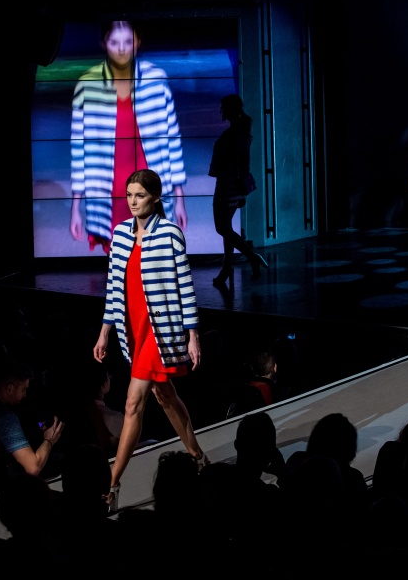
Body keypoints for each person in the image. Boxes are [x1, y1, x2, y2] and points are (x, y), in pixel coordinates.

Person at [93, 168, 208, 511]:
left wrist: (193, 335)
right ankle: (198, 457)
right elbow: (114, 288)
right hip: (133, 330)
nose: (133, 201)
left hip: (160, 332)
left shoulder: (170, 233)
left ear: (155, 197)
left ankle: (111, 483)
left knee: (132, 404)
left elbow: (185, 285)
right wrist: (104, 331)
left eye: (140, 195)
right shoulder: (120, 234)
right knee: (165, 396)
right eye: (129, 195)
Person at [70, 20, 189, 254]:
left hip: (149, 182)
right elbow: (78, 148)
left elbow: (172, 139)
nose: (122, 49)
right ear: (104, 43)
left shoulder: (156, 79)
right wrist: (75, 208)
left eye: (128, 41)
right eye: (114, 42)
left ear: (138, 42)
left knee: (152, 253)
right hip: (107, 186)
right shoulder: (88, 83)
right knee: (119, 257)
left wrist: (180, 198)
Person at [208, 94, 267, 286]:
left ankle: (251, 257)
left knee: (222, 228)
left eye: (223, 107)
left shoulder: (233, 134)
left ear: (229, 109)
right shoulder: (242, 132)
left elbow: (227, 164)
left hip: (226, 185)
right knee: (226, 228)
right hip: (235, 185)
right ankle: (228, 267)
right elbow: (244, 163)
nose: (221, 111)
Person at [0, 356, 65, 481]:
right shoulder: (5, 418)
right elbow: (33, 467)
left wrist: (39, 429)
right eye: (23, 389)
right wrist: (49, 440)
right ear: (10, 388)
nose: (25, 395)